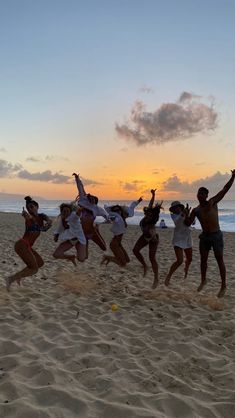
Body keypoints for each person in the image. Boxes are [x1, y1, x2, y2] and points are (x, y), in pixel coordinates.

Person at [185, 170, 235, 298]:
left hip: (216, 235)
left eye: (203, 193)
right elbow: (188, 223)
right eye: (199, 193)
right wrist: (185, 214)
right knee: (203, 260)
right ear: (197, 195)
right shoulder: (196, 210)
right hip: (205, 237)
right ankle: (203, 280)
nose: (200, 195)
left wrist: (233, 177)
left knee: (220, 260)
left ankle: (223, 285)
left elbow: (225, 189)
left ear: (206, 195)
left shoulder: (212, 202)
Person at [5, 196, 52, 291]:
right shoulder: (29, 219)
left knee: (40, 263)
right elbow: (31, 221)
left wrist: (48, 223)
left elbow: (48, 223)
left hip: (28, 246)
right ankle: (11, 279)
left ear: (37, 206)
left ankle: (19, 276)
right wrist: (27, 217)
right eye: (28, 208)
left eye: (31, 207)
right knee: (34, 269)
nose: (30, 209)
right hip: (21, 244)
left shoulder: (42, 216)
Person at [72, 172, 108, 258]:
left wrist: (108, 220)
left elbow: (107, 216)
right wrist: (77, 178)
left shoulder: (97, 208)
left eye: (93, 199)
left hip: (92, 232)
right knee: (85, 257)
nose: (91, 199)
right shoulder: (83, 200)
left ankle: (97, 231)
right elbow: (80, 188)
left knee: (104, 248)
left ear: (95, 202)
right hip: (83, 233)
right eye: (90, 198)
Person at [133, 189, 162, 289]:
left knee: (152, 258)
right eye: (147, 213)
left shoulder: (153, 220)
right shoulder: (148, 215)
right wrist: (153, 195)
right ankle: (145, 265)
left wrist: (153, 235)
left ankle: (156, 279)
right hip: (145, 237)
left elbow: (153, 232)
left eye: (150, 214)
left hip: (153, 239)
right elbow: (151, 204)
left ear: (153, 216)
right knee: (135, 250)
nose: (148, 215)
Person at [102, 197, 142, 266]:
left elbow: (132, 206)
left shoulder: (122, 218)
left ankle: (109, 258)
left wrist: (138, 201)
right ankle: (108, 258)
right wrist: (109, 218)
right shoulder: (116, 218)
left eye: (119, 210)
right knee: (123, 264)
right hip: (114, 244)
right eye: (116, 211)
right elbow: (113, 218)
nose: (118, 212)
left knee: (127, 260)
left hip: (119, 243)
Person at [165, 201, 192, 286]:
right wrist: (183, 214)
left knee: (189, 259)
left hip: (187, 238)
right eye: (175, 208)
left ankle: (186, 273)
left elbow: (192, 222)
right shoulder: (174, 216)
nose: (177, 209)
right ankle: (169, 276)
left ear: (180, 207)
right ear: (173, 210)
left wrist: (188, 214)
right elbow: (178, 223)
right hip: (178, 239)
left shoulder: (184, 213)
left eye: (178, 207)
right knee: (179, 260)